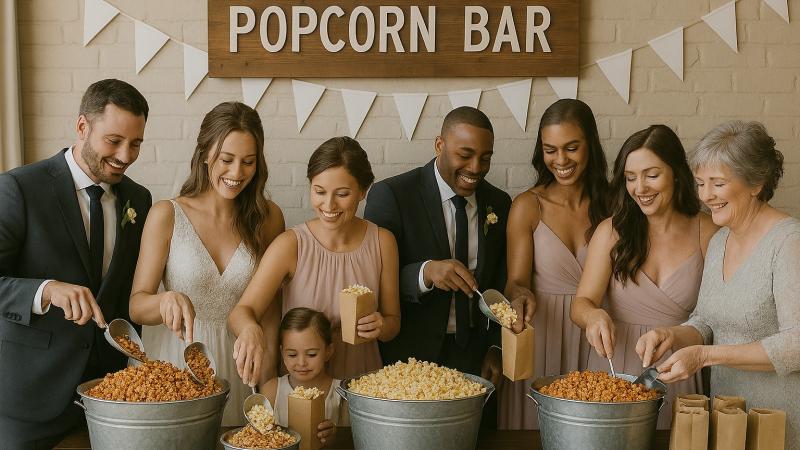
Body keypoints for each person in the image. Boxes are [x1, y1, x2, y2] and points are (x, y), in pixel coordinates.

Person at [0, 79, 151, 448]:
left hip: (108, 397)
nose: (126, 155)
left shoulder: (139, 199)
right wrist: (45, 290)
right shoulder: (19, 188)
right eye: (114, 141)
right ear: (82, 127)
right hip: (29, 401)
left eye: (136, 144)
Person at [638, 121, 800, 447]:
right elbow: (706, 321)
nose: (706, 196)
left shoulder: (789, 241)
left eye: (718, 184)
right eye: (700, 183)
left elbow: (796, 344)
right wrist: (673, 335)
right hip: (729, 419)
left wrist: (705, 356)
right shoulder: (720, 240)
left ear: (756, 183)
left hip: (780, 421)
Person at [128, 101, 284, 425]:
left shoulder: (268, 218)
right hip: (175, 365)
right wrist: (164, 300)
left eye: (248, 162)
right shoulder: (167, 214)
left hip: (239, 368)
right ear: (204, 154)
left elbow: (270, 310)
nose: (236, 173)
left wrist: (268, 384)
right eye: (226, 160)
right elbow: (136, 306)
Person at [571, 125, 717, 429]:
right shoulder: (612, 231)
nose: (640, 188)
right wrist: (593, 316)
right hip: (613, 370)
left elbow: (718, 316)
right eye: (630, 177)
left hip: (679, 372)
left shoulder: (708, 230)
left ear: (676, 173)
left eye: (652, 175)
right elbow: (581, 303)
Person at [228, 136, 400, 385]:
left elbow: (393, 323)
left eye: (342, 194)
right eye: (319, 191)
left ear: (363, 191)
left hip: (363, 380)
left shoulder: (383, 242)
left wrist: (381, 326)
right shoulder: (291, 245)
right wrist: (250, 329)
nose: (328, 205)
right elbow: (241, 312)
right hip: (303, 385)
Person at [364, 106, 511, 386]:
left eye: (486, 158)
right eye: (465, 155)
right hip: (409, 359)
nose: (476, 168)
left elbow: (501, 282)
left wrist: (496, 347)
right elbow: (373, 278)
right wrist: (426, 273)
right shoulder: (392, 195)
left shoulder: (500, 202)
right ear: (439, 145)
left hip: (478, 359)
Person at [498, 99, 610, 430]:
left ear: (591, 143)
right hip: (542, 335)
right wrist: (518, 296)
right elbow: (515, 281)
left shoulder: (615, 202)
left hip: (598, 336)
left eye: (571, 148)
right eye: (550, 150)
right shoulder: (527, 206)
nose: (560, 160)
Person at [262, 307, 345, 446]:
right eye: (292, 355)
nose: (301, 363)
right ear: (282, 352)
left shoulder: (342, 394)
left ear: (328, 351)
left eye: (311, 354)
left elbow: (351, 440)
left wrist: (334, 437)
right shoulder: (271, 391)